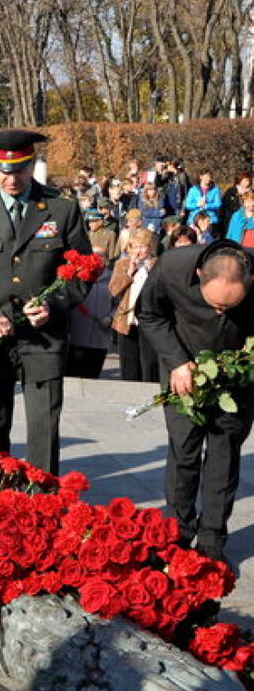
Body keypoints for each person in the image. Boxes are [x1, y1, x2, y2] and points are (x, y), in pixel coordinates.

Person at [0, 129, 92, 474]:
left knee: (44, 427)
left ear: (33, 165)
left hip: (44, 335)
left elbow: (81, 269)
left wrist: (53, 304)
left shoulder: (61, 208)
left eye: (21, 169)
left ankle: (42, 500)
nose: (12, 179)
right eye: (3, 170)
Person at [136, 240, 254, 564]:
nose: (221, 313)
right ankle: (176, 535)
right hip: (183, 372)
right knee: (184, 452)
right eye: (215, 305)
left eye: (230, 308)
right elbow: (148, 314)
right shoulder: (172, 267)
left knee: (224, 455)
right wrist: (176, 361)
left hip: (237, 381)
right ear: (199, 274)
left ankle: (212, 539)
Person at [109, 229, 159, 383]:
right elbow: (114, 290)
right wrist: (129, 272)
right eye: (135, 246)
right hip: (127, 319)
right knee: (129, 366)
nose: (138, 251)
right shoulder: (122, 264)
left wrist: (149, 269)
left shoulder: (157, 264)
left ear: (150, 248)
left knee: (149, 365)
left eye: (142, 246)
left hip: (150, 322)